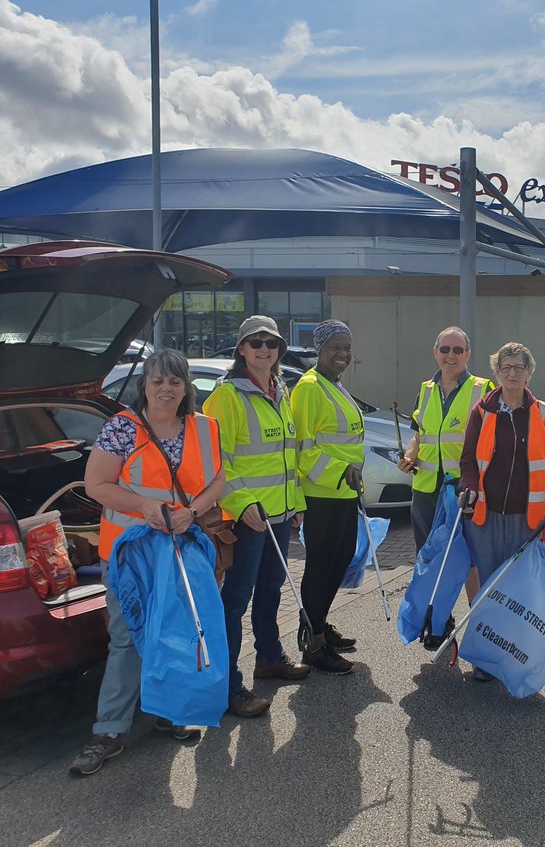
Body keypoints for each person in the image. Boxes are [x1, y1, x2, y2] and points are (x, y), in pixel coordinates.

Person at [70, 348, 229, 775]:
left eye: (175, 381)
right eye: (157, 380)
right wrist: (146, 506)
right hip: (130, 553)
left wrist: (191, 511)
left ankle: (168, 710)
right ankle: (108, 730)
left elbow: (220, 480)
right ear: (144, 385)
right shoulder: (122, 429)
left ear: (186, 388)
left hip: (182, 549)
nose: (166, 388)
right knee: (128, 637)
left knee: (177, 631)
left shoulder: (204, 428)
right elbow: (96, 484)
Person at [203, 316, 310, 719]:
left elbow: (287, 459)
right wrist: (242, 504)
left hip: (278, 516)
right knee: (235, 599)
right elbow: (219, 462)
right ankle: (229, 685)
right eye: (256, 342)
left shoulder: (280, 391)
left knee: (271, 588)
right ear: (242, 350)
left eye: (272, 343)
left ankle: (268, 658)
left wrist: (296, 504)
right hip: (245, 519)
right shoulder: (227, 397)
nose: (265, 349)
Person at [458, 342, 545, 682]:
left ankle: (517, 655)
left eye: (519, 367)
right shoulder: (482, 411)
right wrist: (468, 486)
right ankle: (486, 659)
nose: (512, 373)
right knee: (488, 587)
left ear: (530, 371)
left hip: (527, 517)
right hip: (485, 516)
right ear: (496, 372)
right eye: (506, 367)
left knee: (518, 590)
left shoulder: (543, 412)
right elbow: (469, 458)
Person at [398, 326, 494, 646]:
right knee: (431, 558)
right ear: (435, 353)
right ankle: (439, 621)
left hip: (462, 490)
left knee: (468, 561)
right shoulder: (426, 389)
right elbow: (419, 434)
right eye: (445, 349)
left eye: (457, 350)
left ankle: (481, 627)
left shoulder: (483, 389)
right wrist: (409, 456)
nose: (450, 355)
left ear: (468, 355)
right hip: (426, 488)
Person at [290, 320, 363, 675]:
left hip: (343, 491)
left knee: (342, 558)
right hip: (322, 494)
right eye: (336, 347)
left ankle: (316, 623)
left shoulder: (333, 385)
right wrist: (339, 472)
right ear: (319, 349)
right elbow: (302, 449)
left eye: (347, 347)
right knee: (322, 565)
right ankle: (313, 642)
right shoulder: (308, 388)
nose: (343, 354)